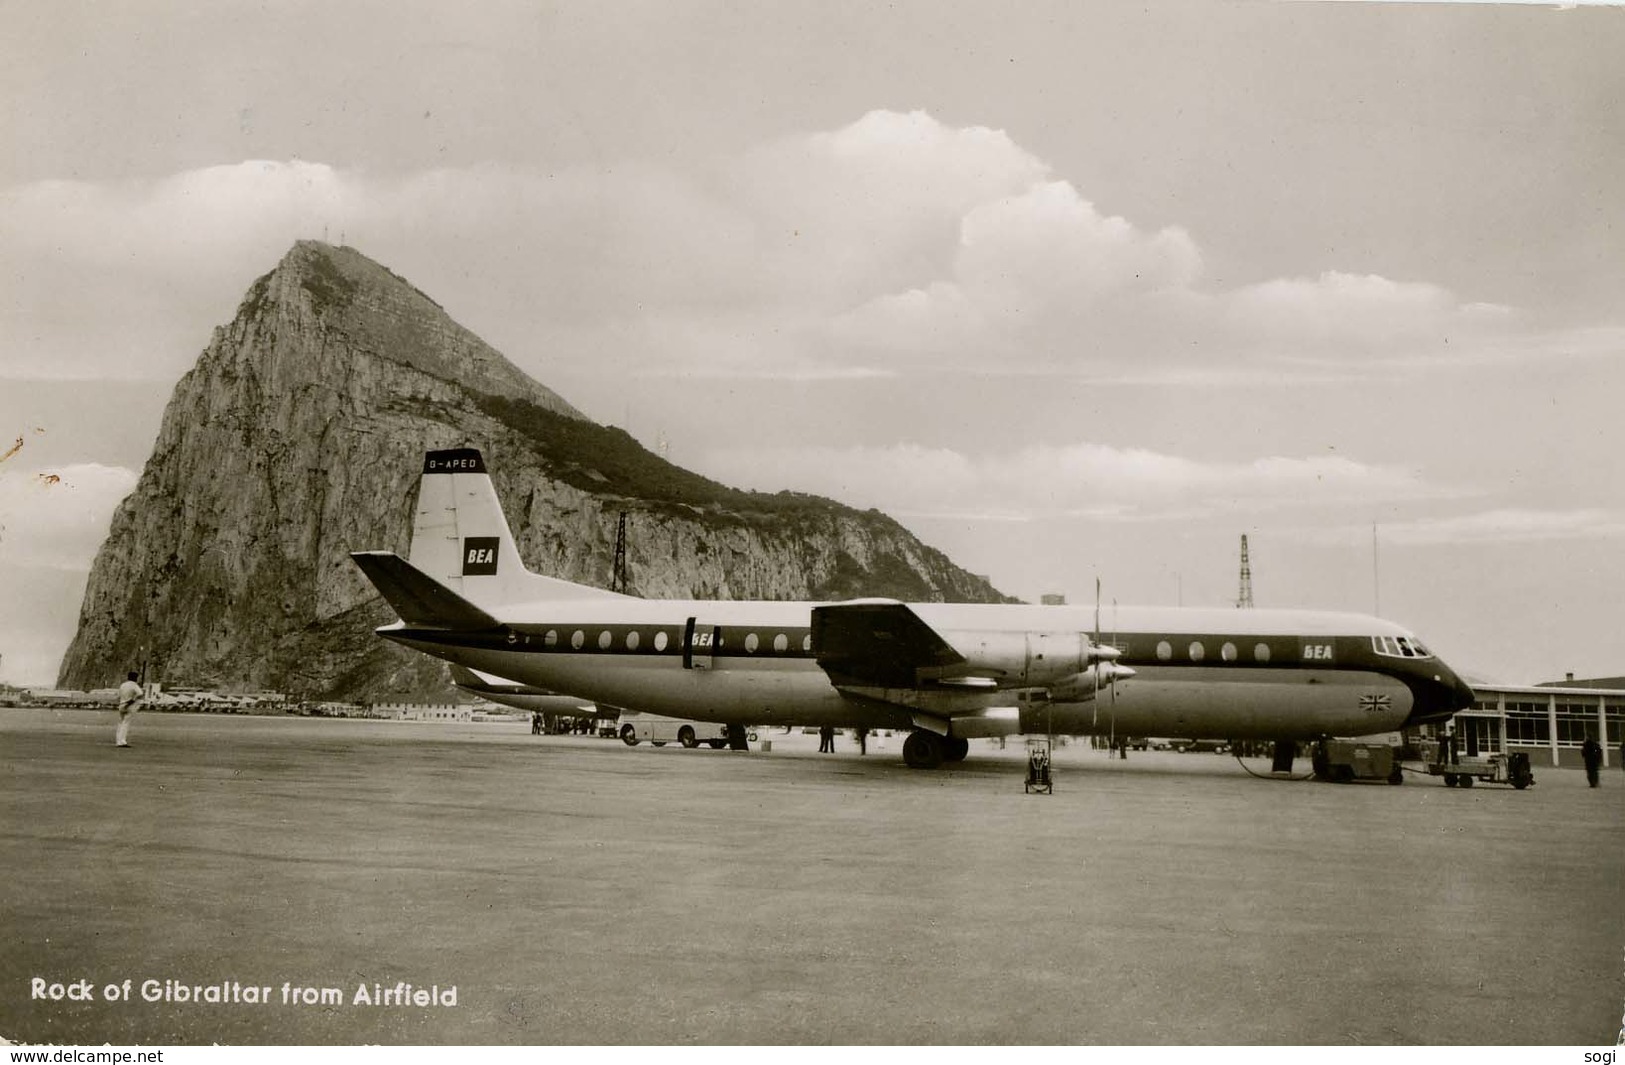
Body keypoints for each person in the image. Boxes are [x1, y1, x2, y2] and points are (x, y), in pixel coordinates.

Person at [115, 670, 144, 748]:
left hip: (121, 704)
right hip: (129, 705)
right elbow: (140, 694)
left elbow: (118, 696)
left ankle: (118, 740)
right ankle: (122, 741)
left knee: (120, 723)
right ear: (135, 678)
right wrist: (132, 700)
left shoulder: (123, 685)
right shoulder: (134, 685)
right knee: (126, 723)